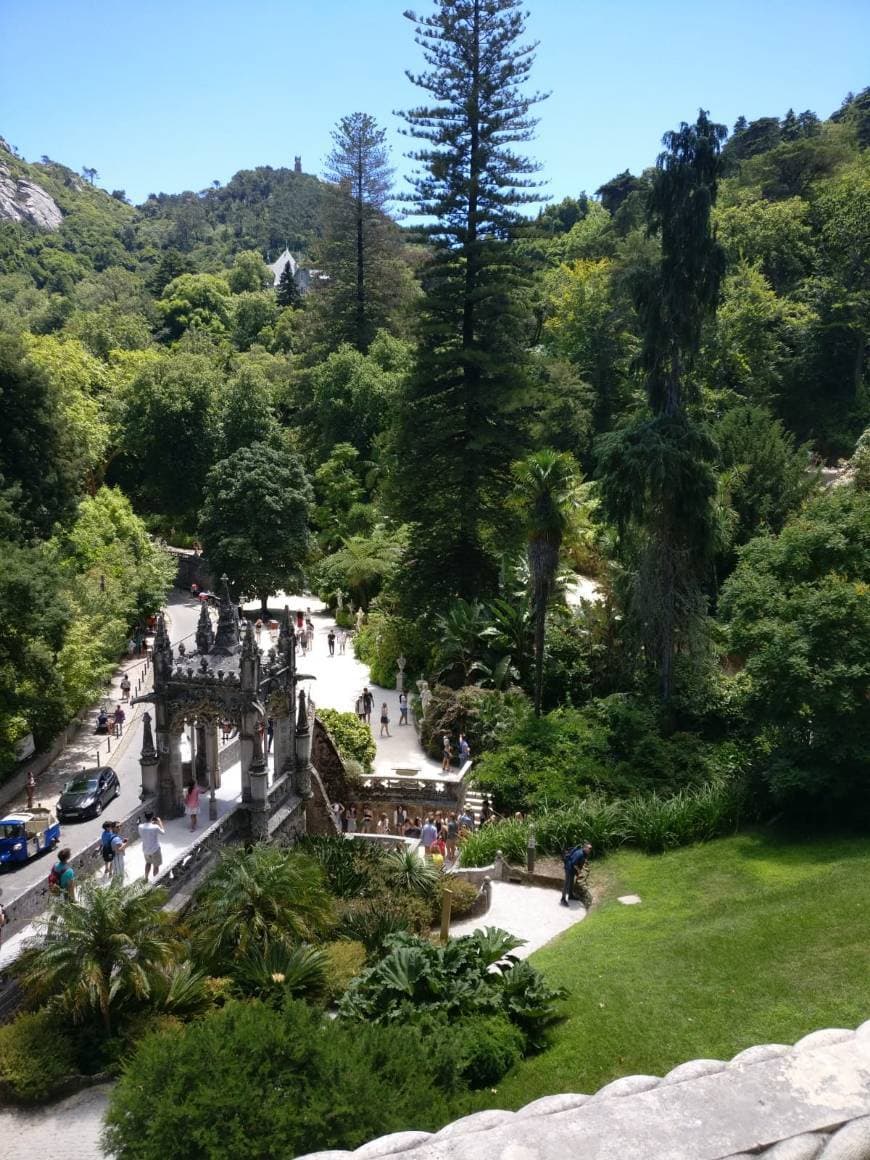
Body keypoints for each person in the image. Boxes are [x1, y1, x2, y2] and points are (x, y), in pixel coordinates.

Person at [138, 812, 164, 882]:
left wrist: (152, 822)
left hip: (146, 850)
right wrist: (159, 822)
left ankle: (146, 878)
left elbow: (147, 827)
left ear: (145, 817)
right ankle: (155, 881)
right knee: (156, 866)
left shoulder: (140, 826)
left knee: (148, 863)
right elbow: (163, 832)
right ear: (152, 817)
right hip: (155, 850)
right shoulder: (155, 827)